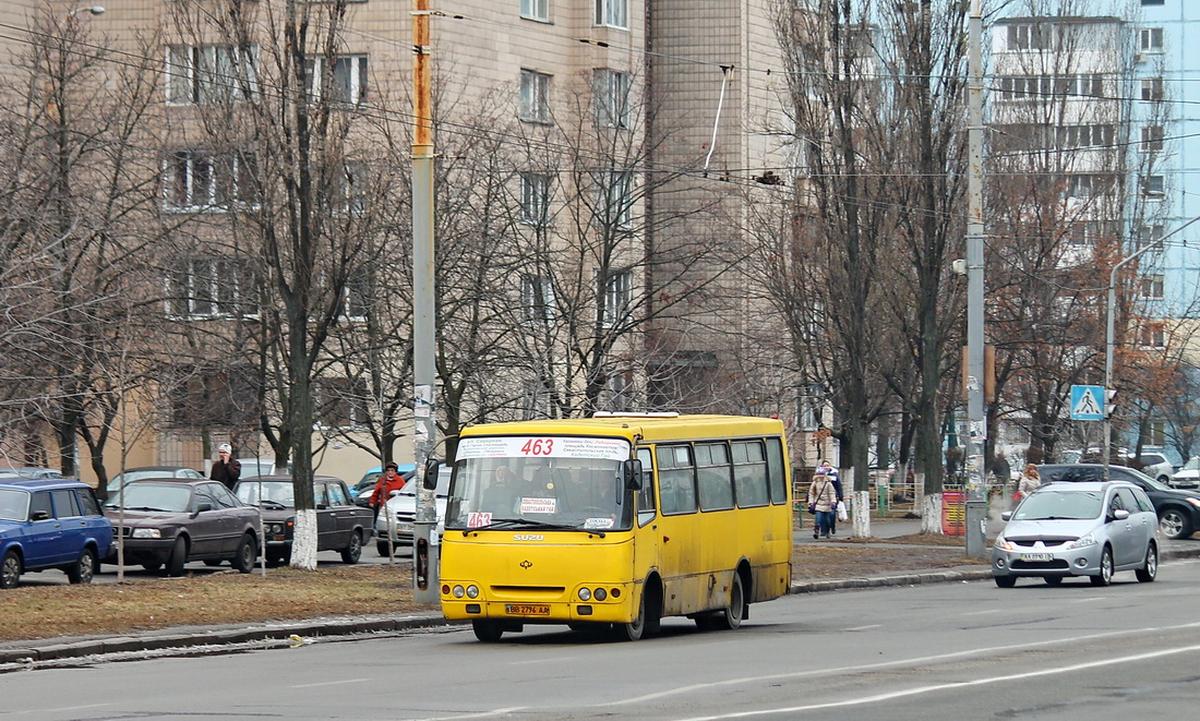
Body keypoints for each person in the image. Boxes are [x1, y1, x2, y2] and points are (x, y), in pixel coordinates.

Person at [807, 469, 838, 539]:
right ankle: (816, 531)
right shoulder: (815, 483)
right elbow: (811, 493)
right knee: (818, 519)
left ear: (825, 475)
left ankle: (827, 531)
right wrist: (811, 503)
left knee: (827, 520)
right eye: (819, 474)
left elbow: (832, 493)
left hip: (827, 504)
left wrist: (833, 502)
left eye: (822, 474)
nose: (821, 476)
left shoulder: (828, 483)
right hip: (818, 503)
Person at [819, 460, 845, 535]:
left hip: (833, 497)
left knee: (832, 514)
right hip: (822, 497)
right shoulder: (819, 475)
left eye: (827, 465)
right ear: (822, 467)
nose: (826, 467)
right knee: (822, 514)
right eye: (824, 466)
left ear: (830, 466)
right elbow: (815, 485)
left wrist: (840, 496)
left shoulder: (834, 474)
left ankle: (832, 527)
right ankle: (824, 530)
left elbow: (838, 486)